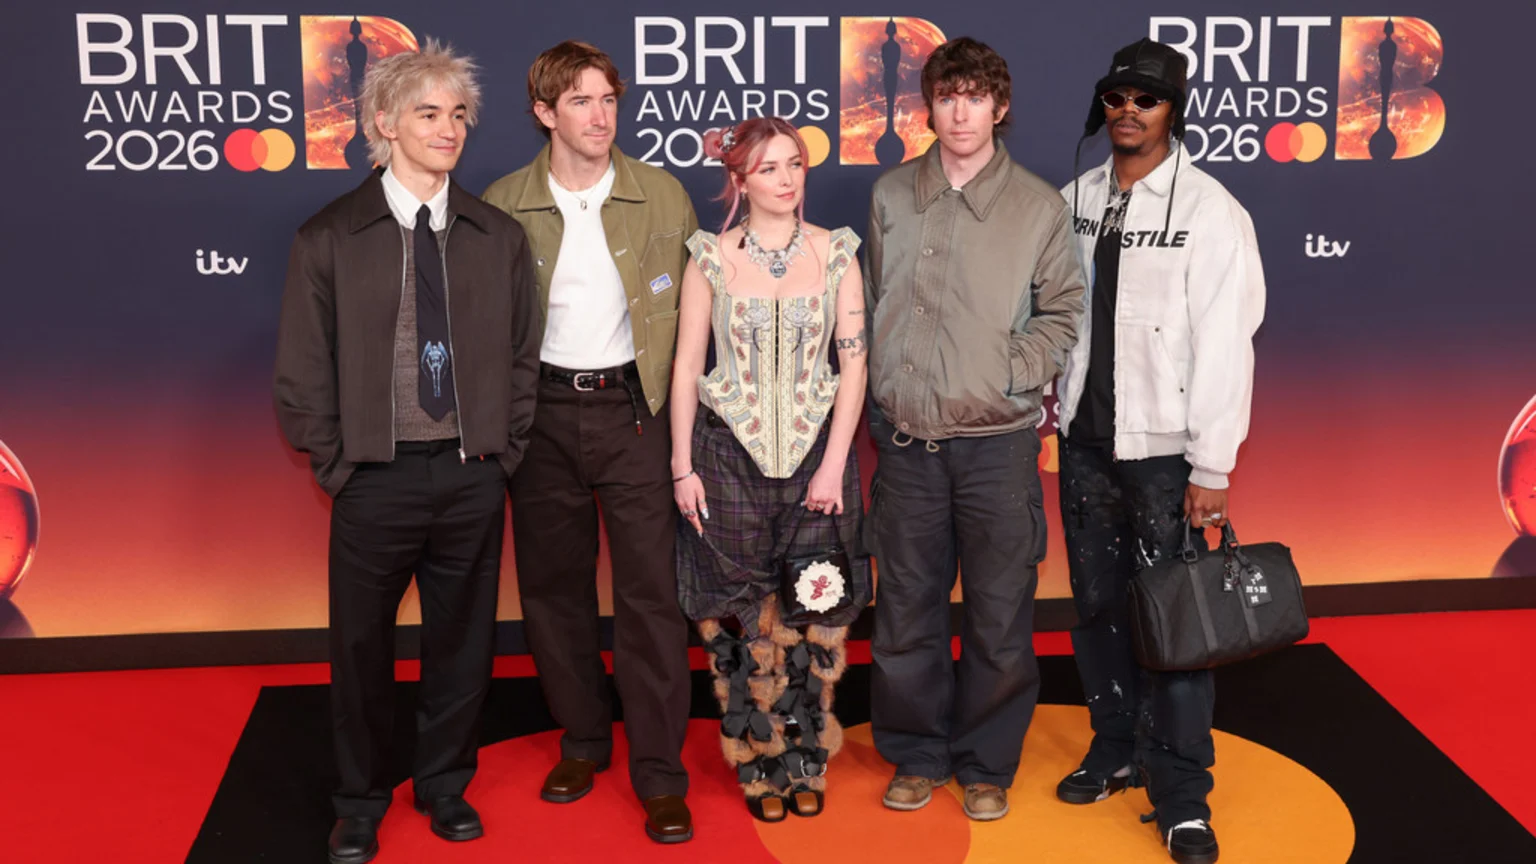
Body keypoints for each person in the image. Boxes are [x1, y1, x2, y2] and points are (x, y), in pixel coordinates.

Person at [273, 40, 540, 864]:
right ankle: (358, 800)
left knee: (462, 644)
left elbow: (525, 352)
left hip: (470, 475)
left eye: (458, 114)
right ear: (382, 124)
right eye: (429, 113)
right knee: (359, 652)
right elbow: (300, 372)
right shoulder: (329, 236)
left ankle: (444, 785)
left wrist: (502, 452)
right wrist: (340, 466)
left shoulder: (495, 235)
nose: (448, 129)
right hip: (373, 482)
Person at [1053, 37, 1266, 864]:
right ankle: (1116, 748)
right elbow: (1058, 322)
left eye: (1147, 98)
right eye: (1116, 97)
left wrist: (1214, 465)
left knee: (1176, 626)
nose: (1129, 111)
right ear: (1102, 107)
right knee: (1099, 609)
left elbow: (1228, 343)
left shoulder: (1213, 210)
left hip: (1167, 454)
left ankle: (1182, 795)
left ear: (1174, 109)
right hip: (1084, 446)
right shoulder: (1075, 199)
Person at [863, 36, 1086, 821]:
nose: (960, 111)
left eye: (975, 95)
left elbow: (1064, 313)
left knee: (999, 620)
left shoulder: (1037, 206)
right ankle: (916, 754)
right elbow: (874, 304)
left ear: (1000, 106)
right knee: (905, 618)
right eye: (946, 95)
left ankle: (986, 763)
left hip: (997, 450)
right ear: (927, 105)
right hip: (906, 448)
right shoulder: (892, 195)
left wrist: (1006, 370)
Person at [480, 40, 697, 844]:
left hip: (634, 414)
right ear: (544, 112)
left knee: (650, 598)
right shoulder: (503, 204)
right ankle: (581, 740)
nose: (600, 116)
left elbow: (695, 323)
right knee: (552, 591)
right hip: (540, 417)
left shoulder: (663, 196)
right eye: (580, 101)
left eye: (609, 99)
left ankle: (661, 775)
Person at [670, 117, 872, 823]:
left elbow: (854, 367)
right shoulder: (710, 259)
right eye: (769, 168)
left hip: (819, 462)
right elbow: (687, 368)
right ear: (740, 180)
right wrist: (679, 467)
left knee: (813, 613)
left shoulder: (840, 254)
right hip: (726, 462)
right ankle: (758, 760)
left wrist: (834, 464)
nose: (787, 179)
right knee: (748, 622)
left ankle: (807, 752)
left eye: (795, 164)